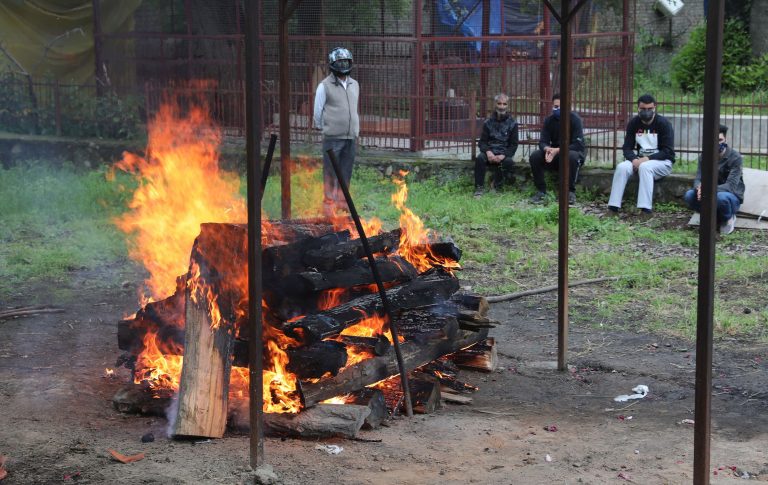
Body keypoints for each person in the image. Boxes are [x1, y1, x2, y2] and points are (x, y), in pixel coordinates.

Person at [607, 93, 675, 216]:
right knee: (622, 167)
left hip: (662, 163)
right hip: (639, 161)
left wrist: (646, 159)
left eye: (650, 109)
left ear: (654, 108)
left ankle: (645, 210)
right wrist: (633, 160)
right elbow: (627, 148)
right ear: (638, 108)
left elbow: (668, 151)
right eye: (643, 109)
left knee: (645, 167)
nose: (646, 112)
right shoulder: (634, 123)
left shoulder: (664, 124)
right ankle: (613, 208)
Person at [313, 47, 360, 216]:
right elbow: (318, 111)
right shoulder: (324, 86)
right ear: (333, 64)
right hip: (332, 138)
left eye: (346, 62)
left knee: (346, 170)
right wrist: (324, 128)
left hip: (350, 137)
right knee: (330, 171)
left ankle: (342, 201)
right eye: (339, 62)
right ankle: (328, 204)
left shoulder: (355, 84)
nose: (343, 64)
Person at [683, 124, 745, 235]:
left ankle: (728, 218)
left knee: (720, 198)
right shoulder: (704, 157)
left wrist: (708, 189)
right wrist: (699, 188)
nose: (717, 143)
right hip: (709, 193)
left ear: (725, 139)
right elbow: (698, 178)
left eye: (720, 140)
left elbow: (730, 186)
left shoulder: (735, 158)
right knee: (689, 195)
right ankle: (712, 217)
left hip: (730, 196)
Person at [528, 93, 586, 205]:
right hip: (553, 154)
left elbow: (578, 144)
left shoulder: (575, 120)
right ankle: (541, 191)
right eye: (555, 106)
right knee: (535, 156)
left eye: (561, 106)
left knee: (572, 156)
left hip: (571, 153)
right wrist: (547, 149)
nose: (557, 109)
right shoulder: (549, 120)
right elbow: (542, 141)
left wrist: (557, 150)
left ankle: (570, 192)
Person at [474, 93, 519, 197]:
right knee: (480, 158)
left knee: (508, 162)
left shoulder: (513, 123)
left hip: (503, 153)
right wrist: (488, 152)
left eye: (504, 104)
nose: (502, 107)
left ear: (508, 105)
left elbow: (514, 144)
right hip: (490, 152)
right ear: (495, 104)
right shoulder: (488, 122)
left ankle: (496, 186)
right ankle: (479, 188)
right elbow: (482, 142)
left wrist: (503, 155)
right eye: (499, 103)